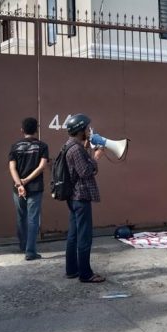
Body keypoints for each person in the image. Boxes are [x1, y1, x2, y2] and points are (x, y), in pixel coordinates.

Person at [63, 114, 105, 283]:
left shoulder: (69, 146)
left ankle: (71, 270)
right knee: (84, 236)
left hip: (73, 196)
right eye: (86, 128)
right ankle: (86, 274)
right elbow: (85, 172)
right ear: (80, 130)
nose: (88, 131)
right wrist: (96, 158)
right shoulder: (76, 149)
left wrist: (87, 150)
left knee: (73, 235)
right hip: (81, 196)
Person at [8, 117, 49, 261]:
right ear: (36, 130)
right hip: (35, 187)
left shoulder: (15, 146)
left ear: (22, 130)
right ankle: (30, 252)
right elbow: (41, 167)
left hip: (18, 188)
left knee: (21, 217)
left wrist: (19, 184)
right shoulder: (42, 146)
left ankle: (23, 245)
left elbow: (12, 168)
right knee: (33, 219)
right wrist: (26, 181)